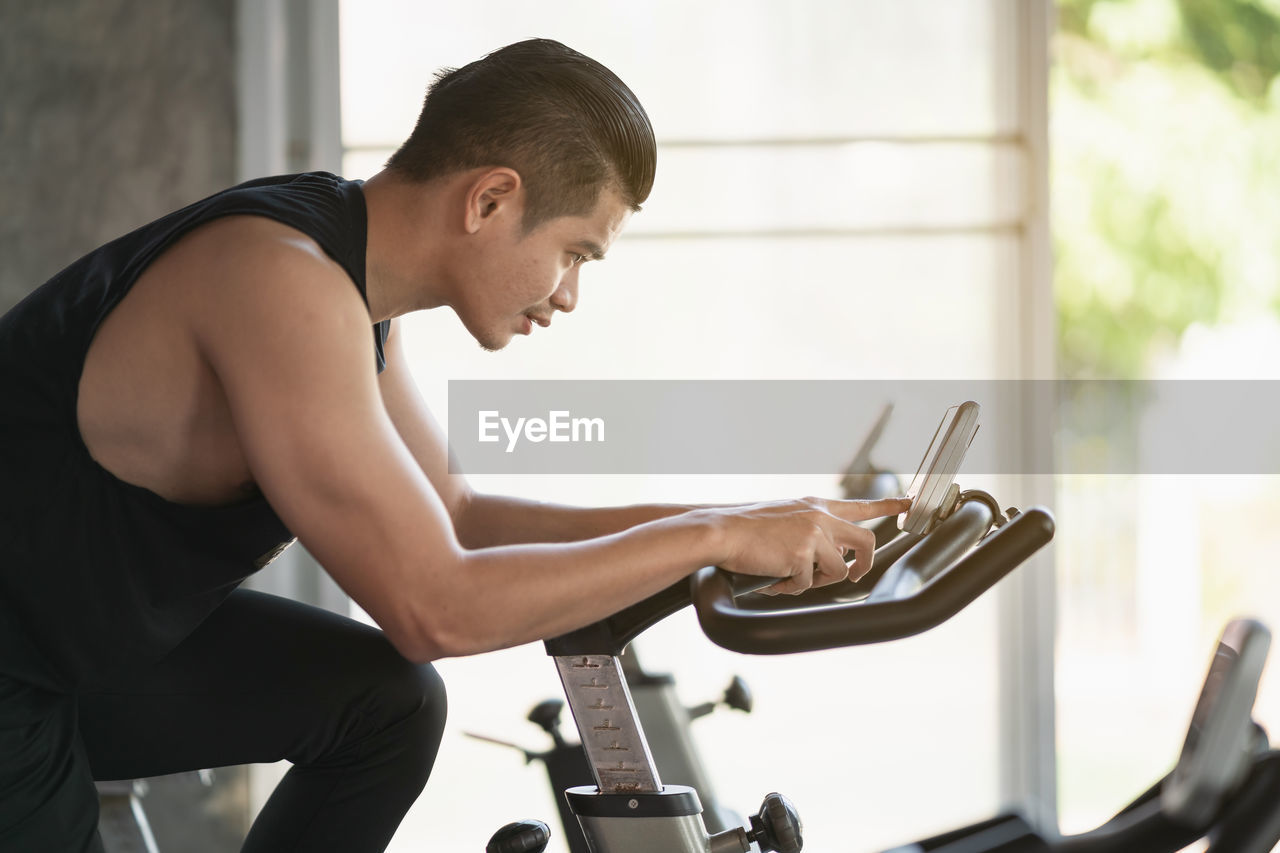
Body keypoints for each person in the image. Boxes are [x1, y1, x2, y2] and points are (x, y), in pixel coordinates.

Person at [0, 38, 908, 852]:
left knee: (387, 703)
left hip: (80, 643)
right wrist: (712, 540)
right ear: (491, 198)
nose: (568, 295)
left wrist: (742, 521)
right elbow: (434, 608)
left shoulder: (350, 287)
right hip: (19, 667)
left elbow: (461, 522)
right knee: (406, 666)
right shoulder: (280, 281)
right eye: (577, 252)